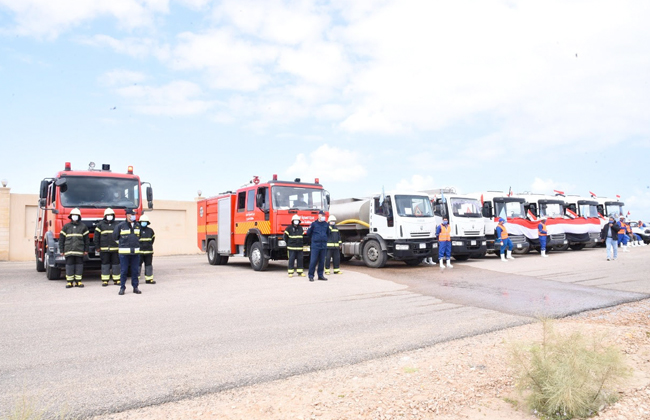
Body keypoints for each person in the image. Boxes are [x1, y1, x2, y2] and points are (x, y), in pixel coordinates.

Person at [113, 208, 142, 295]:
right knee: (124, 271)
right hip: (124, 253)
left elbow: (139, 237)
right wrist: (122, 244)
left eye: (134, 214)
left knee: (135, 271)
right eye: (131, 214)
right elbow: (115, 237)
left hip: (135, 253)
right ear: (127, 215)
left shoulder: (138, 225)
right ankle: (122, 288)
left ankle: (135, 287)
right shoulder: (121, 225)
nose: (133, 216)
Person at [59, 208, 89, 288]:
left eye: (76, 215)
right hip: (69, 251)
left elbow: (86, 240)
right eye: (73, 215)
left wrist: (86, 250)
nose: (74, 217)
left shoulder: (83, 227)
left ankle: (78, 281)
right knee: (69, 266)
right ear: (71, 216)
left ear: (79, 216)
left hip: (79, 251)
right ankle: (69, 282)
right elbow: (61, 239)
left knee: (79, 266)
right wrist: (61, 250)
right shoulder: (66, 227)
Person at [94, 208, 121, 286]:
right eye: (108, 215)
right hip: (104, 249)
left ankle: (117, 279)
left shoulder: (117, 225)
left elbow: (121, 236)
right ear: (105, 216)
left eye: (111, 215)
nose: (109, 216)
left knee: (116, 264)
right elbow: (96, 237)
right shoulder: (100, 225)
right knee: (105, 264)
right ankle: (105, 280)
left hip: (115, 249)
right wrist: (97, 247)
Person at [306, 210, 330, 282]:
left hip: (323, 245)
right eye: (322, 215)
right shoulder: (314, 224)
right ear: (318, 216)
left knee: (322, 261)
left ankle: (320, 275)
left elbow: (328, 233)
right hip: (315, 245)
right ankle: (311, 276)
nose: (323, 217)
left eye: (324, 216)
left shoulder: (326, 224)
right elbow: (308, 233)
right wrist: (315, 239)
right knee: (313, 261)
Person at [138, 214, 156, 284]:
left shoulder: (150, 231)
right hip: (139, 252)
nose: (144, 223)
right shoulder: (137, 230)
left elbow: (152, 240)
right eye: (142, 221)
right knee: (138, 265)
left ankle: (149, 279)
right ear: (140, 222)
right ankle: (136, 279)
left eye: (145, 221)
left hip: (148, 252)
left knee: (148, 265)